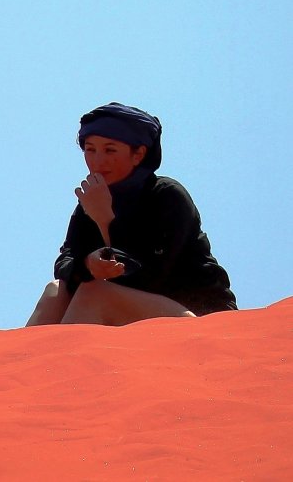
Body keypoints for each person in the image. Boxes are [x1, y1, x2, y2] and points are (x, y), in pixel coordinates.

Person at [26, 103, 237, 327]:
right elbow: (66, 260)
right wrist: (88, 265)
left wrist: (106, 220)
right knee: (56, 291)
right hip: (130, 314)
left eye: (110, 150)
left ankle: (63, 362)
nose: (97, 161)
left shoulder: (166, 194)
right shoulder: (88, 204)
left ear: (138, 154)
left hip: (203, 321)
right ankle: (28, 361)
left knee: (94, 292)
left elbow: (150, 277)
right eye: (90, 149)